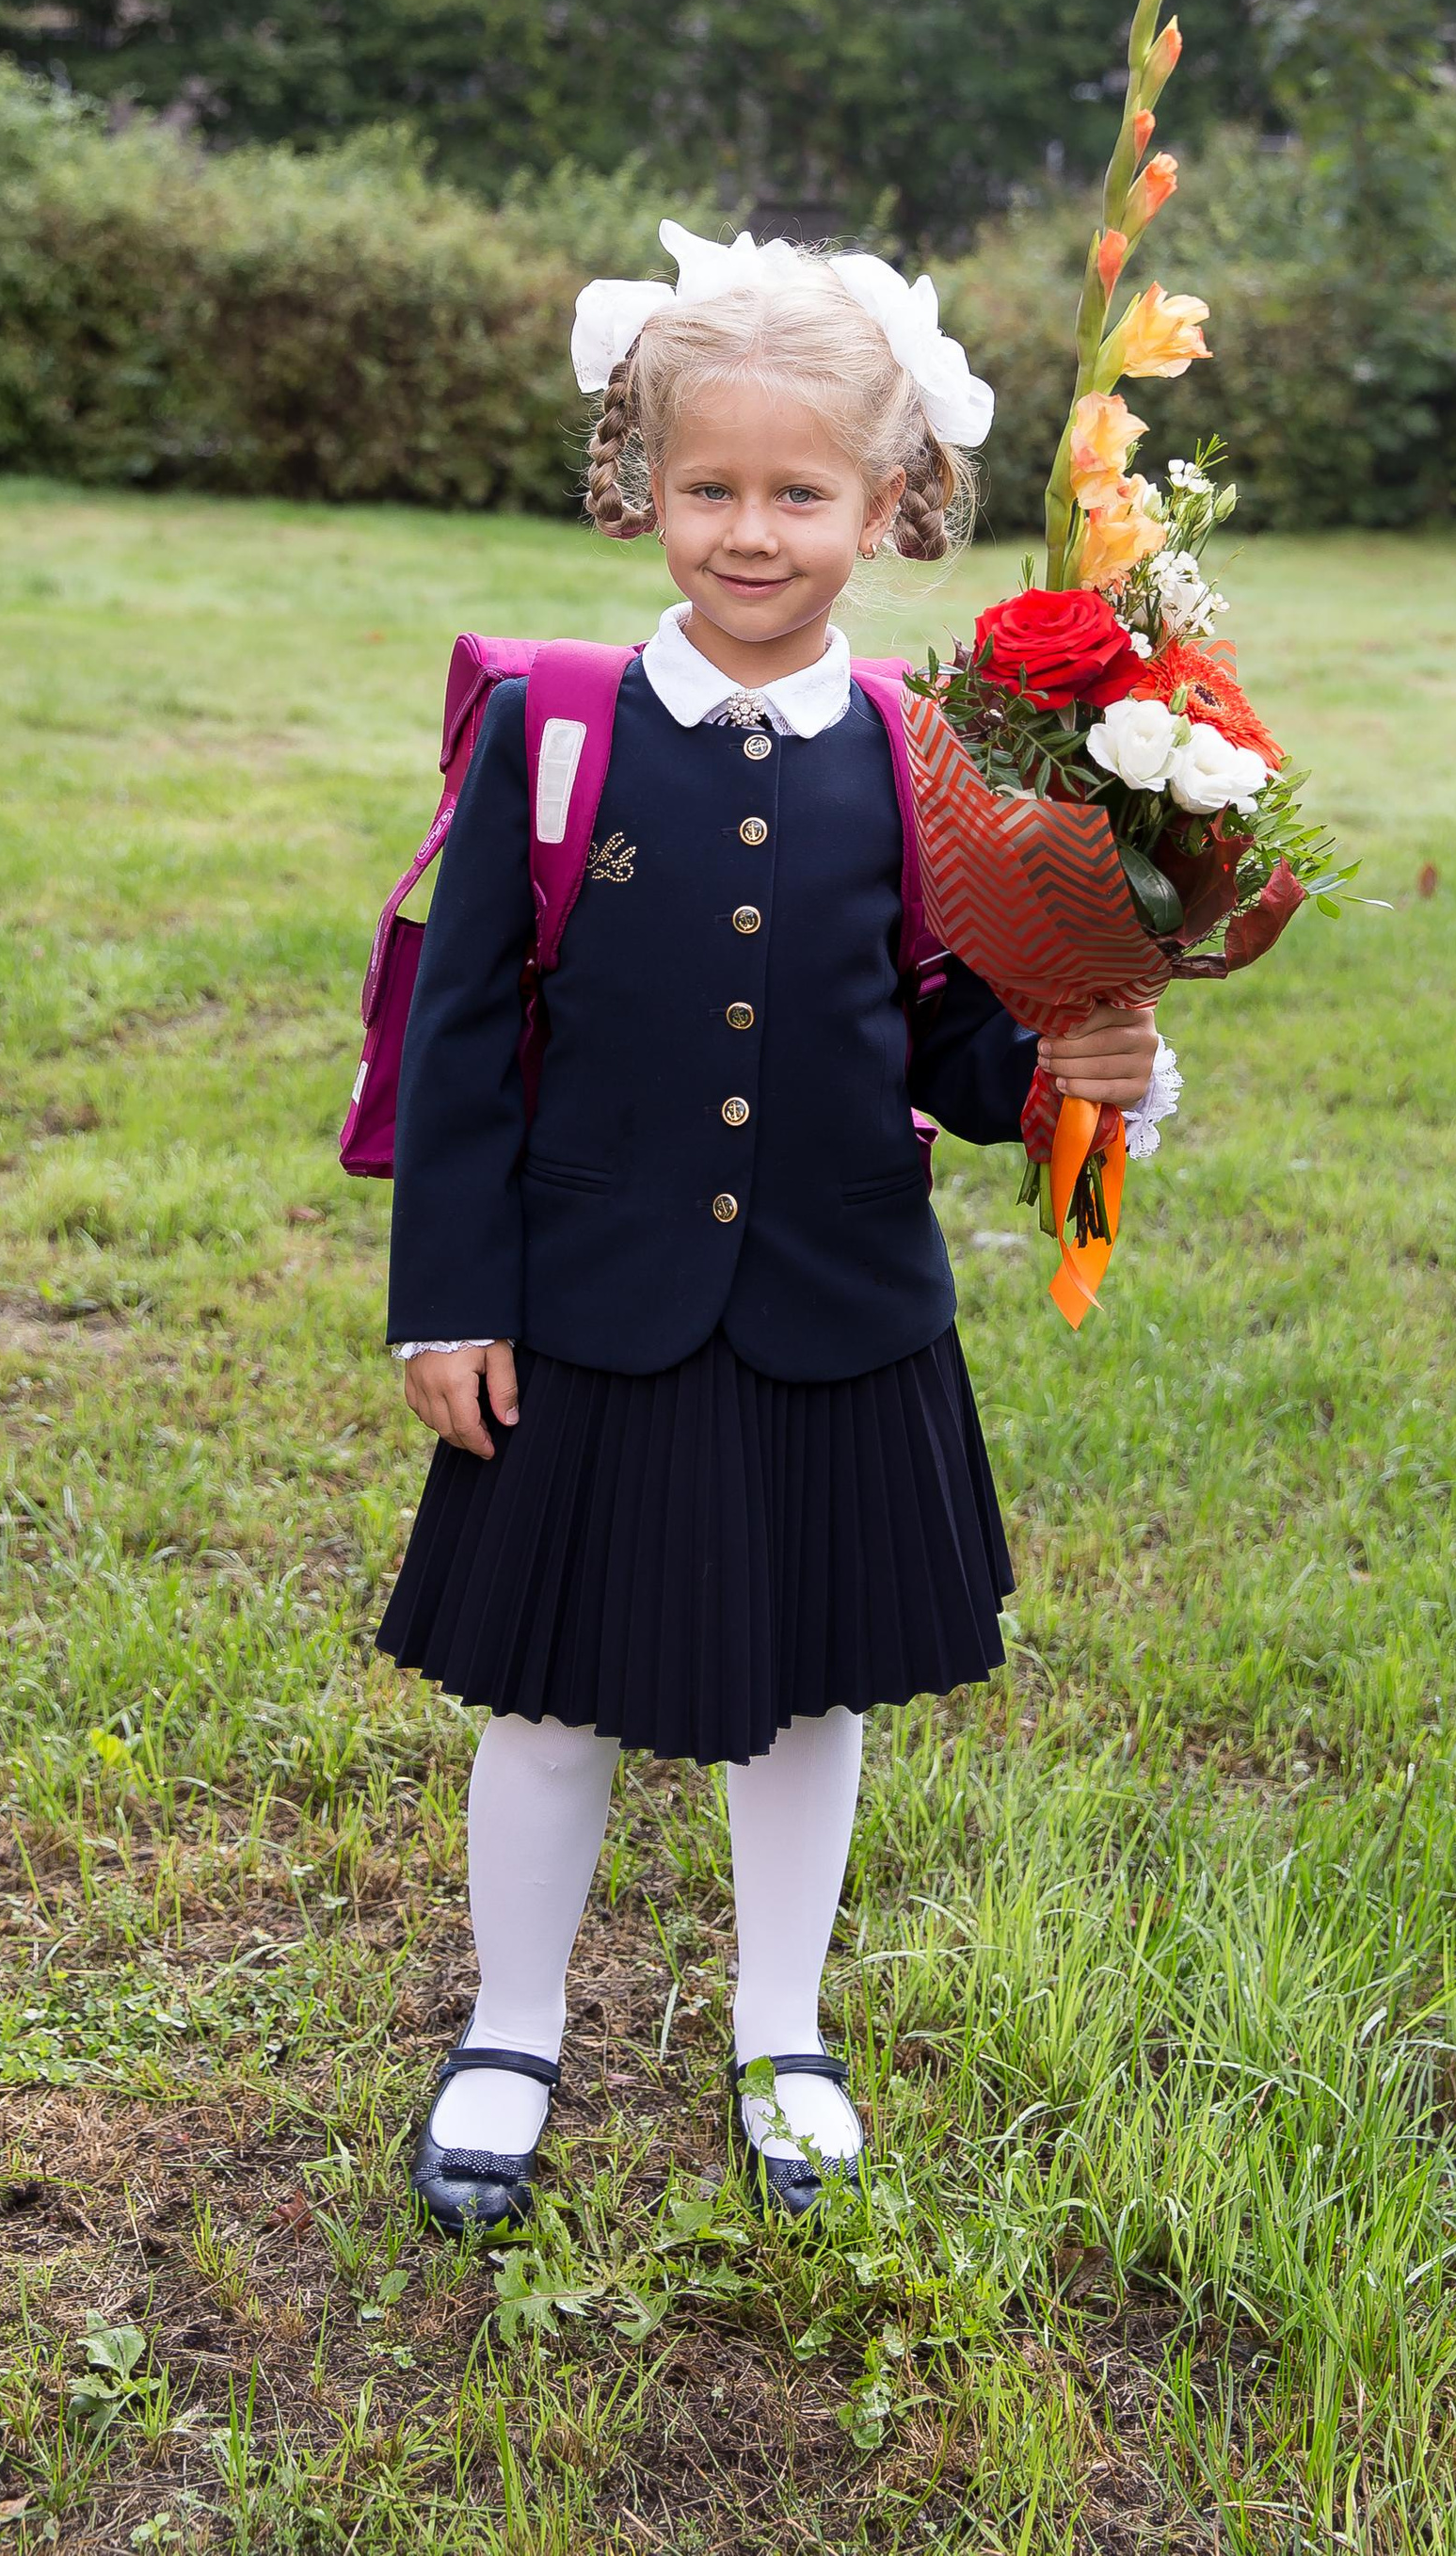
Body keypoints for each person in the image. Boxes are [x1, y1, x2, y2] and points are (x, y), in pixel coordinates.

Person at [375, 229, 1165, 2229]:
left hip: (837, 1304)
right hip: (585, 1306)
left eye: (798, 493)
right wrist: (450, 1300)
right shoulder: (551, 731)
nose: (749, 532)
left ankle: (780, 2026)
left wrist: (1074, 1065)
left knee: (809, 1701)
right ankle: (512, 2026)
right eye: (706, 487)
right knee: (546, 1699)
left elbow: (944, 1037)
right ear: (638, 486)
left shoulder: (928, 756)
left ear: (889, 506)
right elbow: (463, 1043)